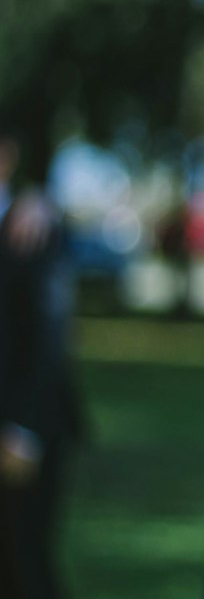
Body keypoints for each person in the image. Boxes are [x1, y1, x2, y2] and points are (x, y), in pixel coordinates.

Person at [0, 129, 80, 599]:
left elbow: (52, 335)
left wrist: (21, 429)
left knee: (23, 566)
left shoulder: (34, 226)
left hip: (20, 435)